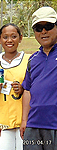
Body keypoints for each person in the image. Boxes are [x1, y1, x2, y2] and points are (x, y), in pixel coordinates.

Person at [0, 23, 31, 150]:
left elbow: (36, 88)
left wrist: (23, 89)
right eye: (5, 37)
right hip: (3, 123)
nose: (9, 40)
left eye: (14, 36)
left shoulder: (29, 60)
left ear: (20, 38)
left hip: (26, 122)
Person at [20, 6, 57, 150]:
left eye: (48, 26)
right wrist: (24, 120)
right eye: (38, 28)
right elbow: (27, 90)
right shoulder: (33, 59)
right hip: (33, 126)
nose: (43, 31)